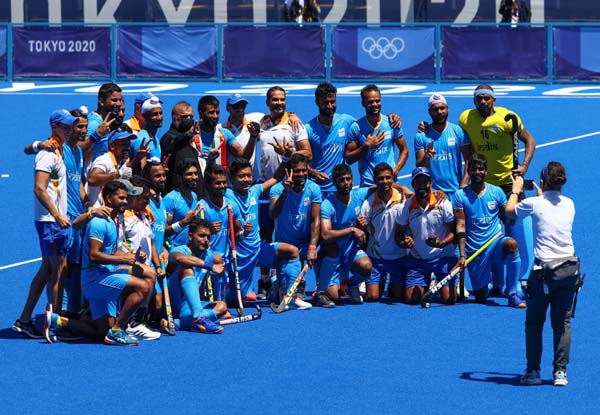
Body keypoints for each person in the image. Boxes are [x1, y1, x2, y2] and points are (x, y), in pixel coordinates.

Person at [44, 180, 157, 345]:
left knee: (101, 332)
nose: (125, 201)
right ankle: (118, 330)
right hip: (95, 279)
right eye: (121, 198)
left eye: (126, 198)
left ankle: (58, 321)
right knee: (143, 287)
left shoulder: (112, 221)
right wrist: (122, 259)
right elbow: (94, 255)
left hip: (102, 276)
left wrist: (129, 255)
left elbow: (109, 252)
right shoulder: (99, 222)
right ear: (109, 198)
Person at [506, 162, 578, 387]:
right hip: (569, 269)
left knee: (535, 322)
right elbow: (550, 210)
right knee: (562, 322)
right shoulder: (569, 204)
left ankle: (533, 372)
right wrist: (541, 194)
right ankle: (560, 372)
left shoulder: (533, 203)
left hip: (543, 272)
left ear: (543, 181)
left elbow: (509, 212)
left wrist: (516, 189)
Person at [459, 84, 536, 290]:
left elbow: (530, 141)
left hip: (508, 185)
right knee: (490, 234)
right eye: (479, 99)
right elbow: (467, 152)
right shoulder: (466, 118)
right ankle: (498, 281)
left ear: (494, 100)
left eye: (487, 98)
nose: (483, 102)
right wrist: (465, 182)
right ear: (474, 101)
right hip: (483, 186)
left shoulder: (508, 117)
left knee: (514, 230)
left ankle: (521, 278)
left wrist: (524, 166)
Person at [12, 109, 77, 338]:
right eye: (66, 127)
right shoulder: (47, 154)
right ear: (55, 126)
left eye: (71, 127)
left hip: (54, 221)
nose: (69, 131)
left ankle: (25, 319)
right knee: (57, 270)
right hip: (51, 221)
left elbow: (27, 148)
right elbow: (39, 188)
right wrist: (57, 215)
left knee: (49, 269)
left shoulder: (54, 149)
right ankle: (54, 321)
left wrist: (38, 143)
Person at [453, 153, 524, 307]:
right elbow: (460, 225)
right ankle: (494, 281)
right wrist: (463, 255)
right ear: (469, 172)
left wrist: (516, 193)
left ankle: (512, 293)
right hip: (475, 250)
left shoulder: (496, 192)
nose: (477, 172)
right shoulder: (459, 196)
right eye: (474, 169)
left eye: (480, 169)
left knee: (511, 244)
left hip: (495, 242)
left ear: (486, 172)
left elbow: (509, 216)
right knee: (481, 297)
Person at [227, 158, 303, 302]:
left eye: (248, 175)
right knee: (235, 300)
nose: (246, 179)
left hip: (258, 250)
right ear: (232, 178)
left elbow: (275, 178)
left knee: (291, 252)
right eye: (241, 176)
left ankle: (288, 296)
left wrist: (285, 158)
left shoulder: (255, 191)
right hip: (239, 257)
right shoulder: (227, 197)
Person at [395, 167, 457, 305]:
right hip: (418, 261)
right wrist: (404, 242)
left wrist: (442, 242)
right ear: (413, 185)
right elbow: (398, 234)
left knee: (450, 299)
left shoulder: (444, 203)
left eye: (425, 182)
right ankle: (429, 281)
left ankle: (436, 279)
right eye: (418, 182)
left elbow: (455, 231)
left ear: (430, 183)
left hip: (442, 258)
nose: (422, 185)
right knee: (412, 299)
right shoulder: (406, 206)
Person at [269, 153, 320, 309]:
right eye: (297, 171)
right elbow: (273, 213)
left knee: (325, 248)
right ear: (289, 172)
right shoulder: (277, 189)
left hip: (304, 243)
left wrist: (312, 247)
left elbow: (315, 219)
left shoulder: (313, 188)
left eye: (304, 170)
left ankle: (321, 290)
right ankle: (278, 284)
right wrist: (285, 192)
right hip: (284, 244)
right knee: (278, 293)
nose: (301, 174)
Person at [318, 164, 372, 306]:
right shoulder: (327, 205)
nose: (346, 183)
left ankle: (351, 285)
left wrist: (402, 188)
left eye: (348, 179)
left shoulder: (358, 195)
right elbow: (326, 235)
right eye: (341, 180)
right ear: (334, 182)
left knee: (366, 267)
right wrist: (352, 230)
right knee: (334, 297)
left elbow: (380, 186)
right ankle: (323, 284)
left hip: (350, 252)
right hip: (332, 255)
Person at [168, 218, 229, 334]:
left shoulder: (209, 256)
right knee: (187, 269)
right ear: (190, 236)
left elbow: (201, 284)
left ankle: (180, 323)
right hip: (173, 306)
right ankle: (199, 318)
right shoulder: (179, 250)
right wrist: (210, 266)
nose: (206, 240)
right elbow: (179, 258)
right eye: (201, 236)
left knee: (222, 306)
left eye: (208, 237)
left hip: (190, 307)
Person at [358, 162, 407, 301]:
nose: (385, 181)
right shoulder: (368, 203)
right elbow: (363, 234)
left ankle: (392, 283)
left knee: (399, 296)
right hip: (376, 258)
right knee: (372, 297)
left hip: (398, 258)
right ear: (374, 181)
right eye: (380, 178)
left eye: (388, 178)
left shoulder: (403, 199)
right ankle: (380, 277)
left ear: (393, 178)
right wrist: (359, 226)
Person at [346, 84, 408, 187]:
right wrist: (366, 147)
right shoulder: (356, 128)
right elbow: (349, 158)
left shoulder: (392, 123)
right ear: (363, 103)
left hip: (390, 184)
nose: (375, 104)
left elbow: (404, 150)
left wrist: (395, 171)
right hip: (368, 185)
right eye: (370, 102)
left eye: (378, 101)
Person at [197, 164, 243, 303]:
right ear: (209, 185)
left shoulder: (231, 205)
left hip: (227, 255)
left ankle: (220, 302)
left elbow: (237, 233)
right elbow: (195, 236)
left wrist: (243, 232)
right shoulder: (202, 206)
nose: (222, 186)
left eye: (224, 183)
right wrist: (208, 231)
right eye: (217, 183)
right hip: (206, 255)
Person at [305, 82, 360, 193]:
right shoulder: (308, 129)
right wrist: (313, 172)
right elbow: (298, 162)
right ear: (317, 102)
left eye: (332, 102)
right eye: (325, 103)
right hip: (317, 190)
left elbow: (368, 125)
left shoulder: (346, 121)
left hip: (340, 189)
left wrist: (391, 118)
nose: (330, 106)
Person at [415, 93, 470, 197]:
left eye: (442, 108)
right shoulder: (421, 136)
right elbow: (419, 167)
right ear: (429, 112)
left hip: (456, 192)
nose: (439, 112)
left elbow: (469, 159)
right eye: (435, 109)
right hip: (432, 194)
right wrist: (427, 156)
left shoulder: (458, 132)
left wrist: (464, 183)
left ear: (447, 109)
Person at [86, 126, 145, 207]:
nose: (127, 148)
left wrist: (138, 157)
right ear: (112, 146)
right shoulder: (105, 159)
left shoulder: (117, 163)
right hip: (94, 213)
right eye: (123, 144)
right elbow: (92, 179)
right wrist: (118, 174)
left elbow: (124, 170)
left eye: (129, 144)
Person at [220, 93, 263, 182]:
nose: (240, 109)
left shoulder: (255, 119)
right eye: (236, 106)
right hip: (232, 183)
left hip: (253, 180)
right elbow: (243, 158)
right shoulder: (221, 129)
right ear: (228, 108)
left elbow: (275, 116)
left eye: (243, 106)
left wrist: (291, 115)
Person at [164, 159, 202, 248]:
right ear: (179, 177)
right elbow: (163, 232)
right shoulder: (170, 199)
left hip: (191, 251)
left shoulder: (194, 196)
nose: (194, 177)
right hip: (174, 250)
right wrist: (184, 222)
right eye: (189, 174)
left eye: (196, 173)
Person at [86, 82, 125, 163]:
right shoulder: (94, 124)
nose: (118, 104)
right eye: (114, 100)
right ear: (101, 101)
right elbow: (78, 148)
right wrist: (96, 135)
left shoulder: (108, 121)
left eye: (120, 100)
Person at [130, 94, 164, 171]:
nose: (159, 117)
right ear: (145, 116)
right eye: (155, 114)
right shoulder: (141, 140)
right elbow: (142, 171)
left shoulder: (155, 139)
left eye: (160, 113)